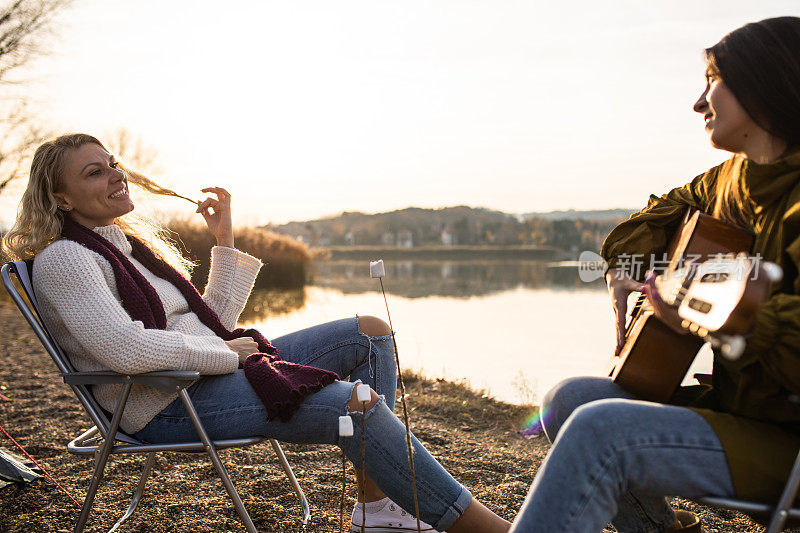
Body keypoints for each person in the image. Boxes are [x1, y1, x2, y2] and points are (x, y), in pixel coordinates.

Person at [1, 133, 511, 533]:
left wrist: (223, 240)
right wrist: (224, 353)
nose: (116, 174)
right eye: (95, 172)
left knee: (370, 332)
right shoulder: (67, 258)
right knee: (354, 402)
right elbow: (127, 349)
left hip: (200, 373)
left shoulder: (125, 246)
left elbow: (210, 320)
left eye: (113, 163)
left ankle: (376, 505)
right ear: (61, 197)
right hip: (163, 402)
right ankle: (486, 529)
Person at [508, 16, 800, 533]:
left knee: (602, 431)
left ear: (765, 82)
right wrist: (628, 267)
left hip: (788, 443)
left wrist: (714, 309)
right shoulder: (732, 180)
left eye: (713, 80)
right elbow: (658, 215)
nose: (698, 102)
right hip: (742, 413)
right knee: (567, 401)